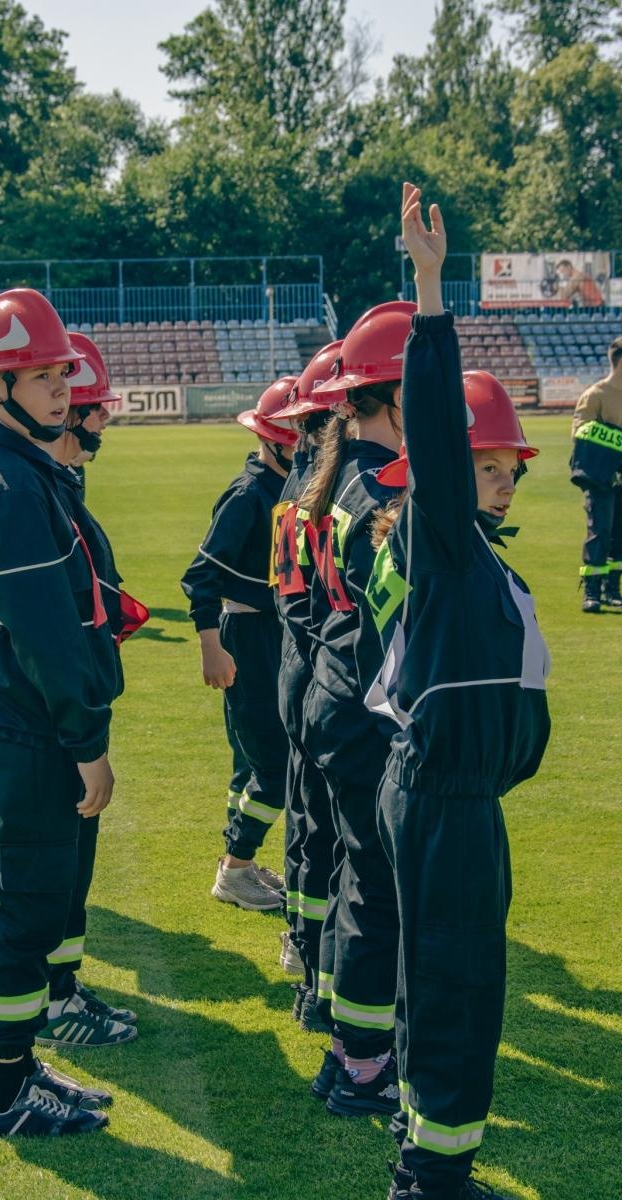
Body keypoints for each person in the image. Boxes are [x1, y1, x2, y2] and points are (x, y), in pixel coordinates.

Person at [374, 185, 551, 1200]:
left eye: (509, 469)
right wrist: (430, 291)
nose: (500, 480)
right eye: (485, 465)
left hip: (454, 797)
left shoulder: (474, 557)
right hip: (442, 797)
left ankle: (426, 1165)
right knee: (454, 987)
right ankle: (430, 1184)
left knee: (445, 983)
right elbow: (434, 438)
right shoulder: (439, 541)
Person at [0, 289, 134, 1138]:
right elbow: (49, 634)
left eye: (59, 372)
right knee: (22, 910)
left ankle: (16, 1070)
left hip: (1, 706)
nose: (59, 388)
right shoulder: (11, 484)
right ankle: (3, 1094)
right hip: (24, 720)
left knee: (24, 902)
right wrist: (87, 740)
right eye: (37, 374)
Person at [287, 303, 415, 1118]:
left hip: (326, 699)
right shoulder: (382, 494)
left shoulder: (346, 473)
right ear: (396, 399)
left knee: (351, 879)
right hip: (361, 714)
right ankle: (366, 1062)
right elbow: (387, 638)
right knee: (376, 890)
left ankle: (344, 1044)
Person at [181, 379, 298, 910]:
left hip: (275, 634)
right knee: (276, 766)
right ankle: (236, 868)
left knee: (248, 763)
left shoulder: (286, 487)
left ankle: (237, 858)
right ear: (273, 441)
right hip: (248, 637)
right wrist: (212, 645)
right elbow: (201, 577)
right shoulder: (248, 496)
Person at [268, 344, 342, 1017]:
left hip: (297, 664)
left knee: (306, 817)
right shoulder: (324, 488)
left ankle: (303, 939)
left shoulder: (301, 483)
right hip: (318, 668)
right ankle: (315, 952)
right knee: (322, 827)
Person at [570, 335, 622, 612]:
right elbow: (581, 430)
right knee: (599, 532)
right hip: (601, 479)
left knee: (620, 536)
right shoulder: (596, 395)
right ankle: (592, 591)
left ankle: (613, 589)